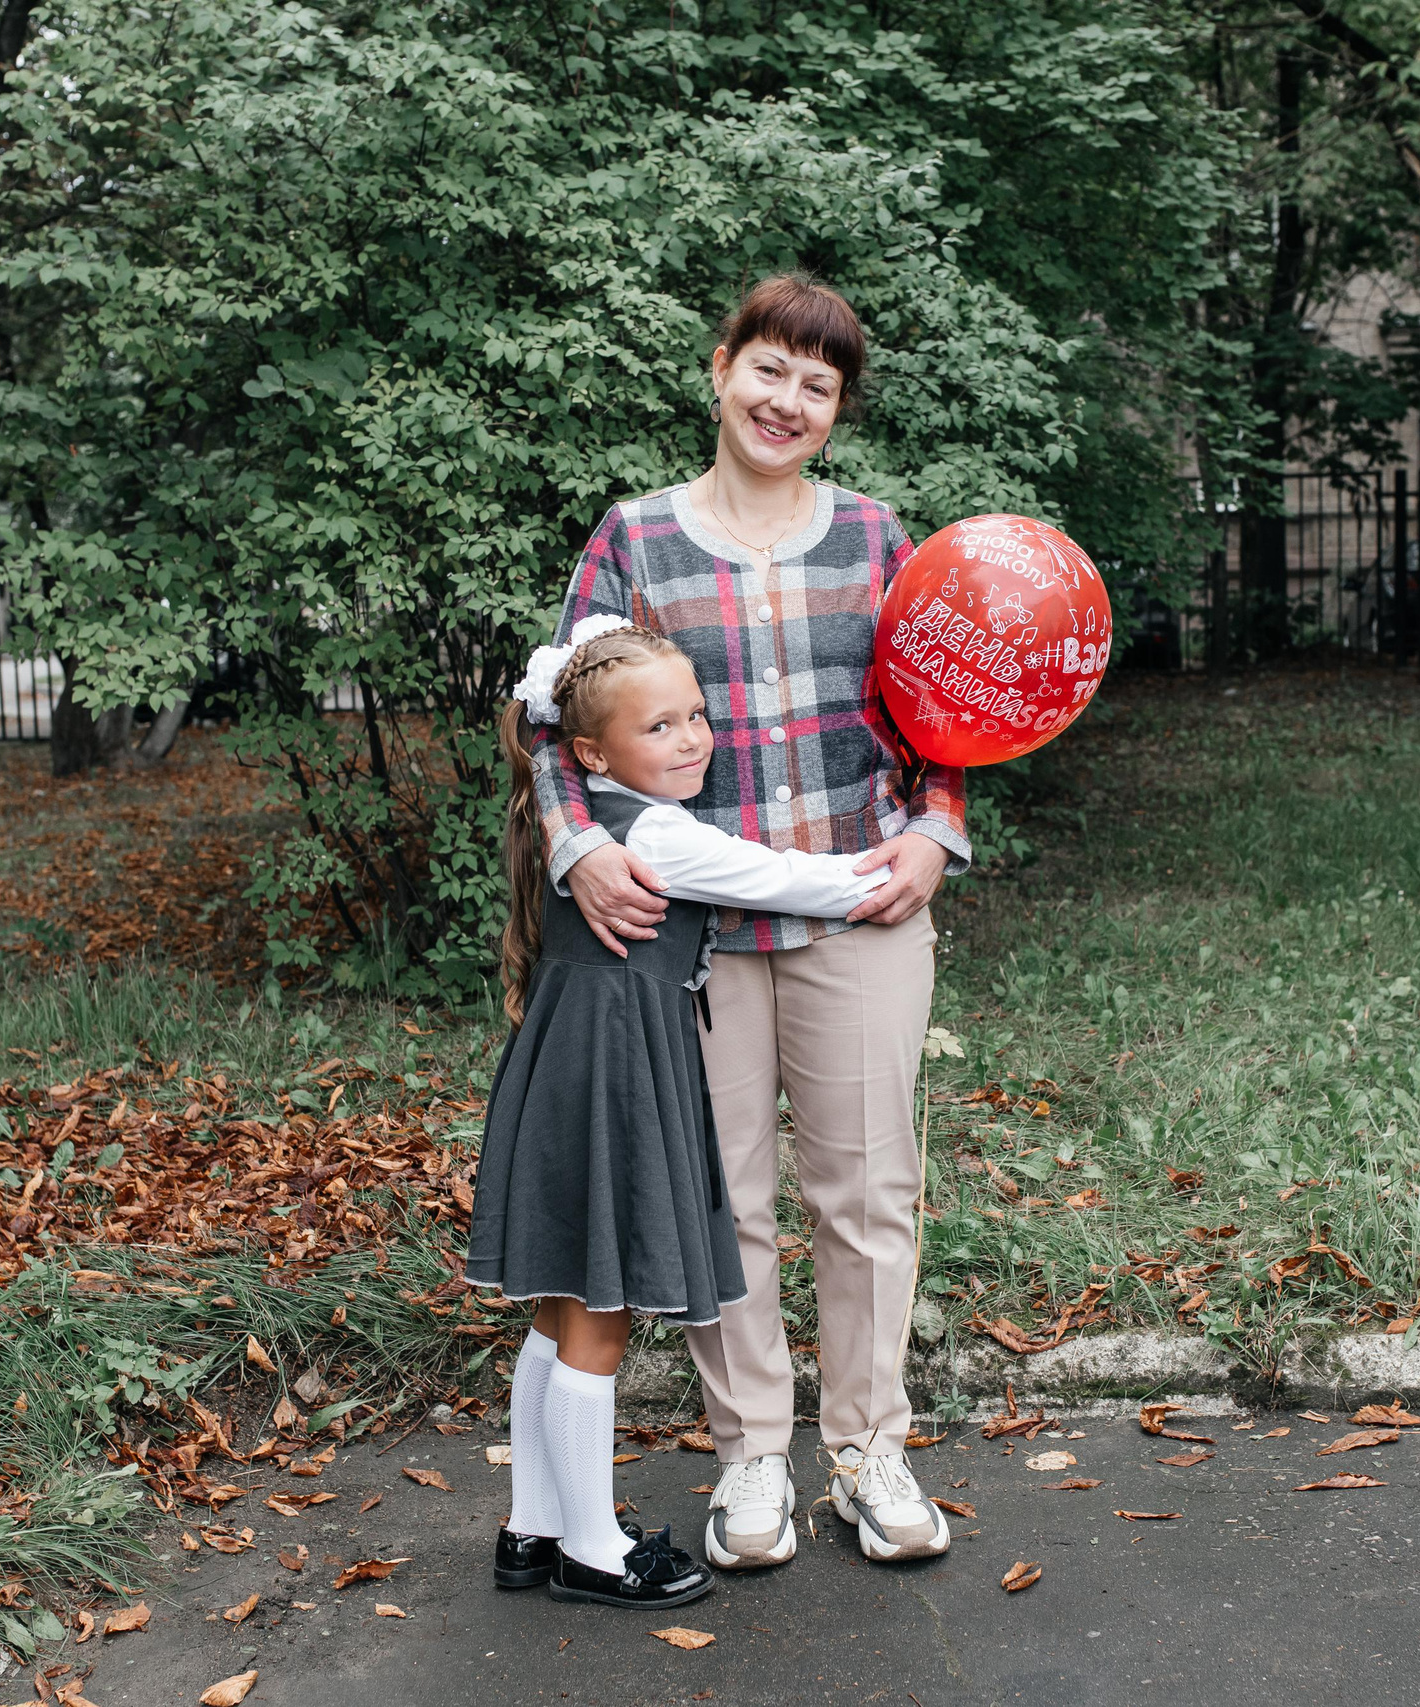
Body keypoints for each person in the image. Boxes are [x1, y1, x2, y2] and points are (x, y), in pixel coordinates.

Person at [531, 274, 968, 1573]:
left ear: (837, 412)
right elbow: (557, 720)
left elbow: (949, 714)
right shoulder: (634, 541)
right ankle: (751, 1455)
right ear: (722, 369)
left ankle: (871, 1451)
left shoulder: (882, 539)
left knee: (868, 1191)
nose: (787, 400)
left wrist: (933, 834)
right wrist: (582, 846)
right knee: (724, 1196)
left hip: (860, 912)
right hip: (692, 936)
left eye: (818, 385)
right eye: (769, 369)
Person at [470, 617, 894, 1611]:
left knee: (557, 1310)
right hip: (615, 1081)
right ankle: (590, 1550)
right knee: (600, 1324)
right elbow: (788, 878)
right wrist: (888, 873)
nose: (693, 738)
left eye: (696, 716)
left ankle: (530, 1530)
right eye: (660, 726)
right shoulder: (655, 834)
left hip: (565, 1072)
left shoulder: (590, 826)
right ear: (589, 755)